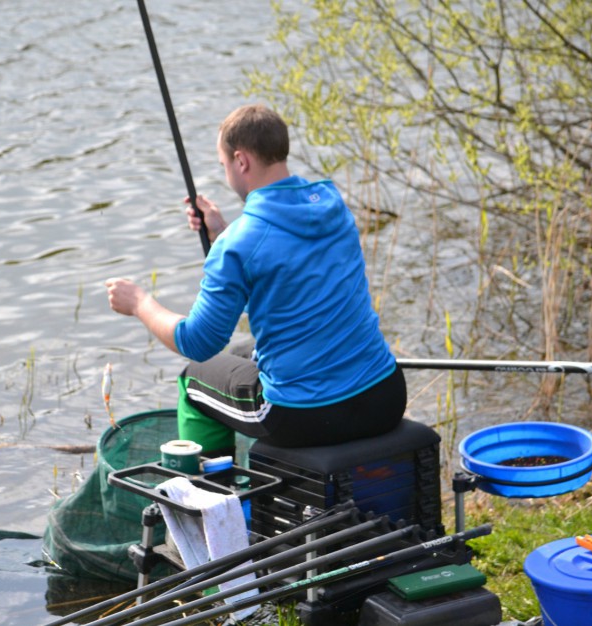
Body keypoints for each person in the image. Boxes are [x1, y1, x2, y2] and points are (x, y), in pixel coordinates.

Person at [106, 104, 405, 458]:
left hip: (305, 415)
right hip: (384, 395)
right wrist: (221, 232)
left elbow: (198, 341)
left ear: (241, 161)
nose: (226, 174)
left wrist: (140, 303)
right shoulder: (331, 204)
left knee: (194, 378)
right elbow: (281, 261)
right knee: (239, 354)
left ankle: (217, 502)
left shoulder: (239, 243)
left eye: (224, 165)